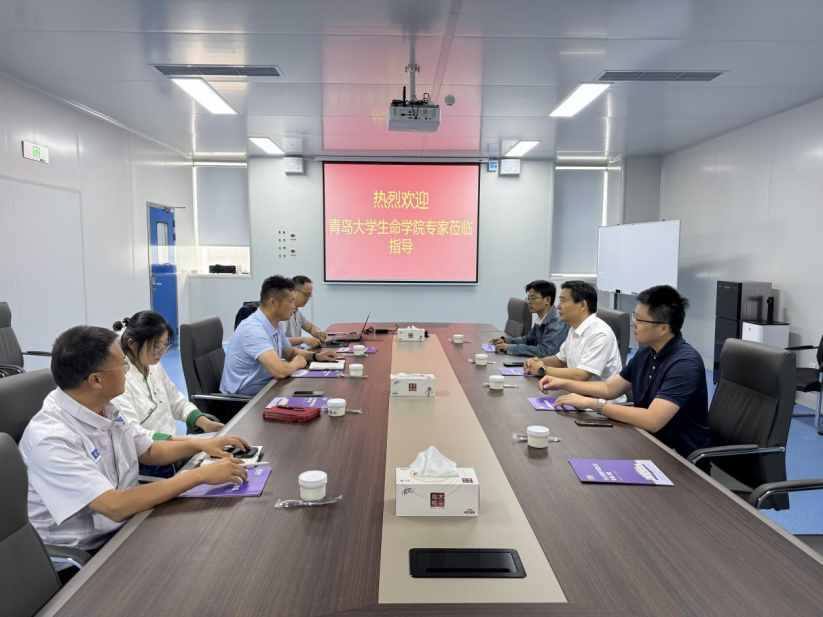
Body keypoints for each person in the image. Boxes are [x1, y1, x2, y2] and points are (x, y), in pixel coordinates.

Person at [19, 325, 250, 559]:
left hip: (127, 524)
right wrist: (199, 476)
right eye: (122, 365)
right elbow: (115, 506)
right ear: (96, 380)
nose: (127, 371)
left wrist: (200, 444)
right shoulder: (52, 440)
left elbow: (148, 449)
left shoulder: (104, 406)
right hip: (87, 552)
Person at [539, 285, 709, 457]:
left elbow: (652, 420)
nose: (633, 323)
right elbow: (609, 389)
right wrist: (563, 383)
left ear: (663, 329)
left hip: (677, 457)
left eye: (640, 320)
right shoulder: (647, 352)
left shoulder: (684, 364)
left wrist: (592, 403)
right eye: (635, 316)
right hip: (644, 440)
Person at [112, 311, 225, 478]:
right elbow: (136, 436)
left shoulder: (153, 366)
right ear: (133, 344)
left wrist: (205, 423)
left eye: (165, 345)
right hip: (152, 461)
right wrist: (192, 443)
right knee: (219, 469)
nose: (162, 352)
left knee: (226, 457)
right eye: (156, 346)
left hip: (173, 450)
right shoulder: (120, 382)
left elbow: (176, 402)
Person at [221, 275, 338, 396]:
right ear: (273, 303)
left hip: (267, 389)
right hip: (245, 401)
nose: (294, 306)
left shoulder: (275, 324)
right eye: (291, 301)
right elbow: (280, 371)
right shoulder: (253, 330)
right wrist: (297, 363)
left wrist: (316, 356)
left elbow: (290, 353)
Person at [524, 281, 625, 402]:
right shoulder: (574, 328)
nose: (559, 306)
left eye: (563, 301)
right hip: (578, 396)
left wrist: (542, 370)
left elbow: (581, 375)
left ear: (582, 305)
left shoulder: (600, 333)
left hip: (601, 404)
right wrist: (536, 362)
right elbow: (560, 360)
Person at [489, 280, 569, 357]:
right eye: (528, 298)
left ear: (547, 300)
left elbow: (545, 351)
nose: (529, 302)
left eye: (533, 298)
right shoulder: (541, 319)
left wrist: (510, 348)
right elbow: (528, 340)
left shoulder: (558, 321)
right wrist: (506, 341)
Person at [283, 275, 327, 349]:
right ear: (295, 292)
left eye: (309, 296)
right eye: (306, 295)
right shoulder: (283, 314)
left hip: (297, 353)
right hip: (289, 355)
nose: (308, 298)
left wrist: (318, 333)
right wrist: (303, 339)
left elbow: (310, 327)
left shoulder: (297, 312)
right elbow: (281, 340)